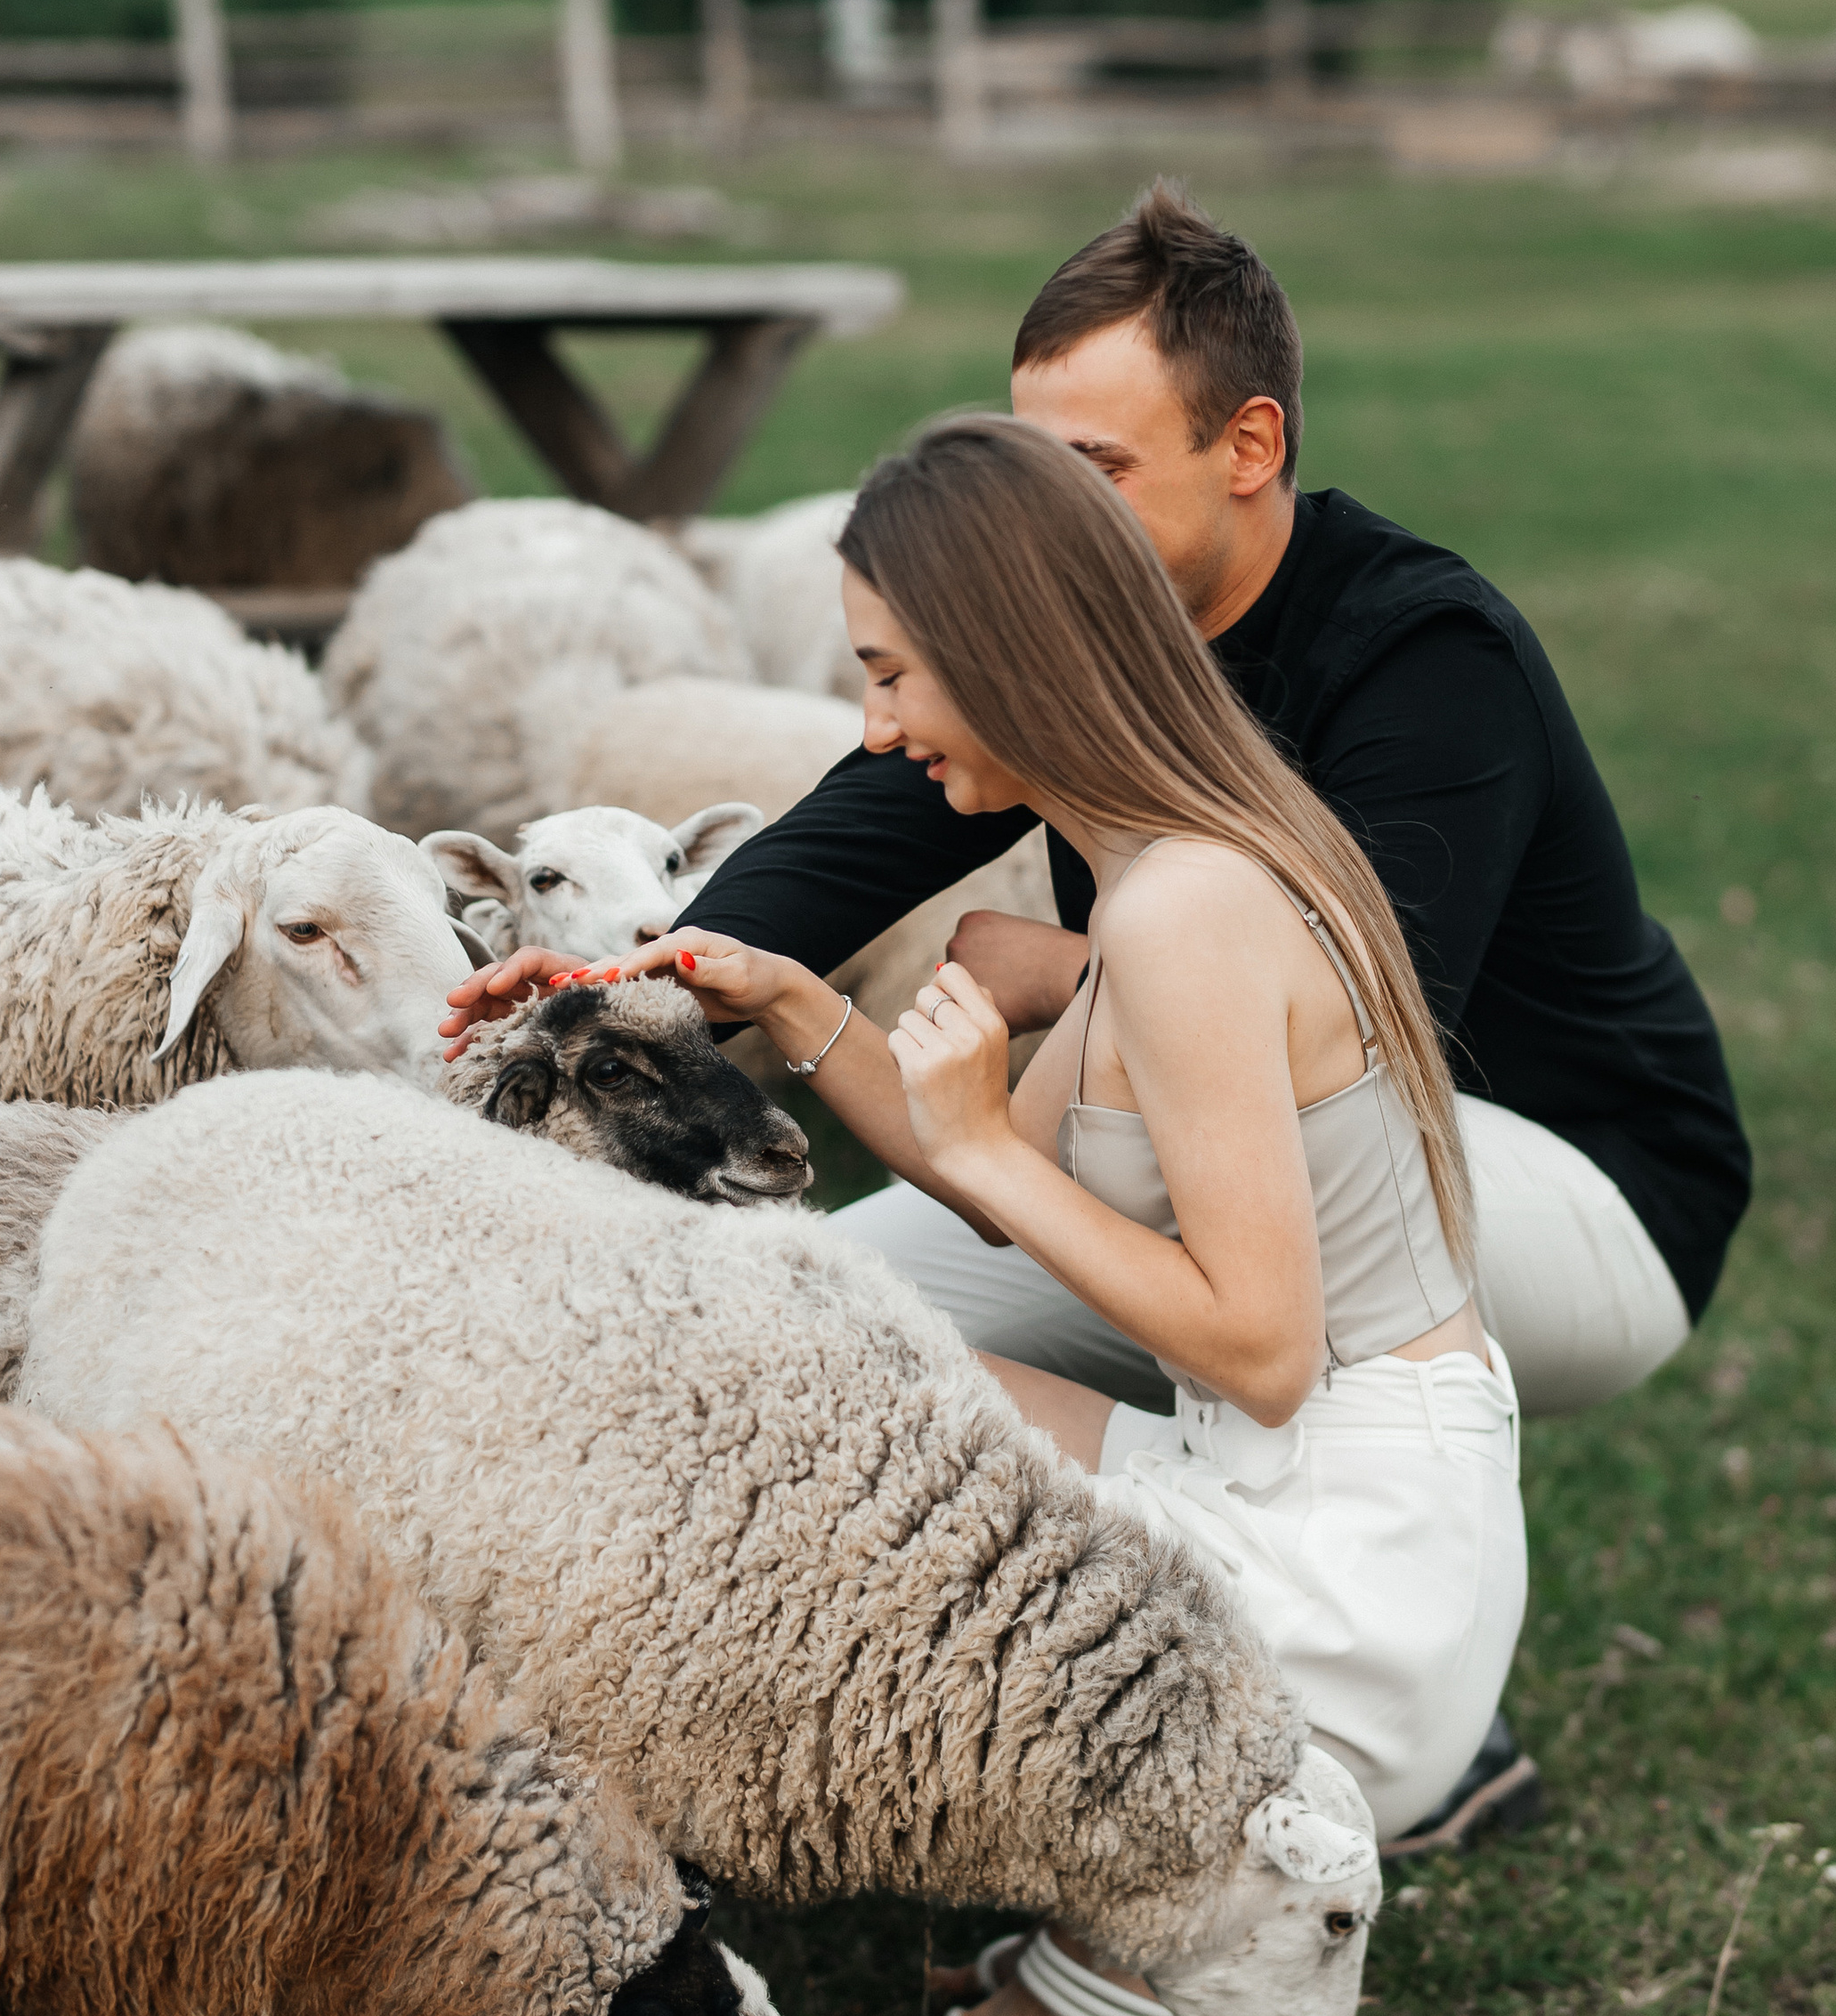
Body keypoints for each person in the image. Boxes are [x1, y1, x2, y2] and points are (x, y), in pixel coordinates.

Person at [447, 181, 1751, 1850]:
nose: (1056, 516)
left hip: (1575, 1179)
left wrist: (1059, 974)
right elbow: (860, 827)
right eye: (1037, 464)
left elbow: (1357, 1024)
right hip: (1231, 1108)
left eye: (1104, 474)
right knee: (820, 1328)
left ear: (1251, 446)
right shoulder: (1064, 642)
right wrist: (632, 988)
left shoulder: (1426, 655)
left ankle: (1365, 1689)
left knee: (1201, 1253)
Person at [559, 411, 1528, 2016]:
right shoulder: (1166, 857)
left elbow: (1262, 1347)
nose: (873, 730)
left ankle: (1151, 1896)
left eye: (890, 677)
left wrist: (995, 1137)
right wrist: (802, 1010)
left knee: (844, 1465)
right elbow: (1018, 1203)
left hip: (1359, 1572)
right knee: (842, 1384)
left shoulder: (1188, 911)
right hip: (1310, 1477)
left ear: (1011, 654)